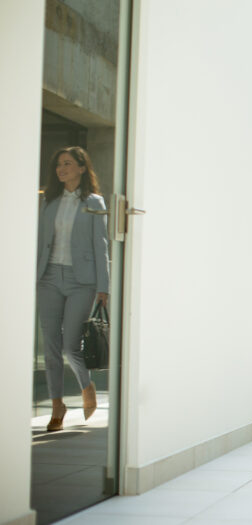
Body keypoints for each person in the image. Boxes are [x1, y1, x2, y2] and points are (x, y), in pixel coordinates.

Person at [37, 146, 110, 432]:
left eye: (67, 164)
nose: (61, 169)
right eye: (58, 165)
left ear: (82, 168)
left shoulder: (94, 201)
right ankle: (58, 407)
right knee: (52, 347)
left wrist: (103, 286)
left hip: (83, 280)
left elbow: (101, 245)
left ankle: (86, 385)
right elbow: (38, 239)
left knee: (71, 346)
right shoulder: (48, 201)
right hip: (49, 277)